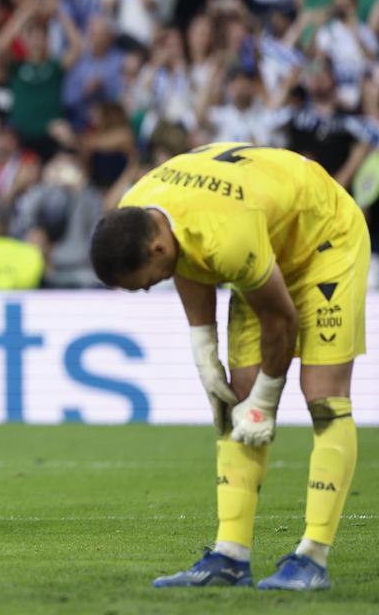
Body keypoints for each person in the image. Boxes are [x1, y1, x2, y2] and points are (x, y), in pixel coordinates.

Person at [89, 143, 366, 591]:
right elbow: (185, 258)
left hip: (323, 238)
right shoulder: (140, 213)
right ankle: (230, 556)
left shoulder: (225, 236)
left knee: (323, 396)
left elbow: (281, 319)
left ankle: (312, 557)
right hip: (263, 238)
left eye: (144, 285)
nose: (146, 292)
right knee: (234, 400)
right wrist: (205, 351)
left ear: (154, 248)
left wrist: (265, 400)